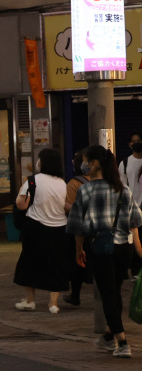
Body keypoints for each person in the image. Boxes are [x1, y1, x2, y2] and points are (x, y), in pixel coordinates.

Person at [68, 145, 142, 358]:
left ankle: (122, 341)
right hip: (124, 249)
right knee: (115, 290)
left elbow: (77, 226)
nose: (83, 164)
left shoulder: (86, 190)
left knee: (108, 294)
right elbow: (136, 220)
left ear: (94, 164)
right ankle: (109, 336)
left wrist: (79, 250)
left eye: (85, 160)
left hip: (102, 247)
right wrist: (137, 247)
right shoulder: (123, 189)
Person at [14, 148, 70, 314]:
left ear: (43, 162)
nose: (37, 162)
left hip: (35, 228)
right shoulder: (62, 183)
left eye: (39, 159)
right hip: (59, 229)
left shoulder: (32, 181)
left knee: (28, 263)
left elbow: (20, 204)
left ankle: (30, 301)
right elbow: (63, 204)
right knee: (56, 265)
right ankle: (53, 304)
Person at [64, 149, 92, 307]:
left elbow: (71, 208)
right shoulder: (105, 182)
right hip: (100, 229)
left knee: (78, 262)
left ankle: (75, 295)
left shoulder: (74, 183)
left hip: (80, 228)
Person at [119, 133, 142, 278]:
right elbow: (121, 185)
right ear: (129, 144)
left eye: (139, 141)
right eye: (134, 141)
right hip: (132, 207)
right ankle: (134, 271)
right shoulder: (125, 163)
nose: (137, 143)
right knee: (132, 240)